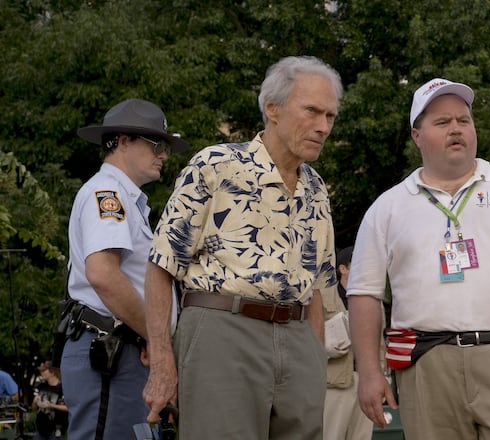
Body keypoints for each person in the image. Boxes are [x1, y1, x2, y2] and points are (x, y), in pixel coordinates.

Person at [347, 78, 490, 439]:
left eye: (464, 120)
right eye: (442, 123)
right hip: (427, 365)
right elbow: (364, 294)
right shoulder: (389, 208)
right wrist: (369, 372)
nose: (456, 129)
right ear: (416, 136)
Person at [143, 55, 342, 439]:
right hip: (223, 331)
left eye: (330, 116)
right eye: (313, 111)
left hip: (299, 338)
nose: (323, 127)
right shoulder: (214, 166)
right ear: (273, 109)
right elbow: (161, 265)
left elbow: (316, 286)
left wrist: (315, 358)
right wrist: (163, 362)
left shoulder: (317, 189)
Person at [63, 98, 189, 439]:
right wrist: (156, 337)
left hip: (123, 351)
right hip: (111, 354)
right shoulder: (109, 194)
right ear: (123, 142)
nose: (164, 153)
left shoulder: (124, 199)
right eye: (156, 144)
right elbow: (103, 274)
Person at [323, 246, 375, 440]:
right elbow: (310, 338)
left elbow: (379, 342)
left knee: (362, 436)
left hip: (366, 381)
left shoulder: (371, 298)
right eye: (357, 264)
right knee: (331, 435)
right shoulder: (322, 295)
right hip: (335, 381)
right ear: (342, 269)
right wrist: (326, 346)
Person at [32, 362, 68, 440]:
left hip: (56, 430)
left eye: (44, 371)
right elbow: (34, 409)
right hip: (40, 430)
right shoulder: (41, 387)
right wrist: (34, 402)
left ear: (52, 372)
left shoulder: (63, 388)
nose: (41, 373)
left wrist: (51, 405)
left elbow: (68, 408)